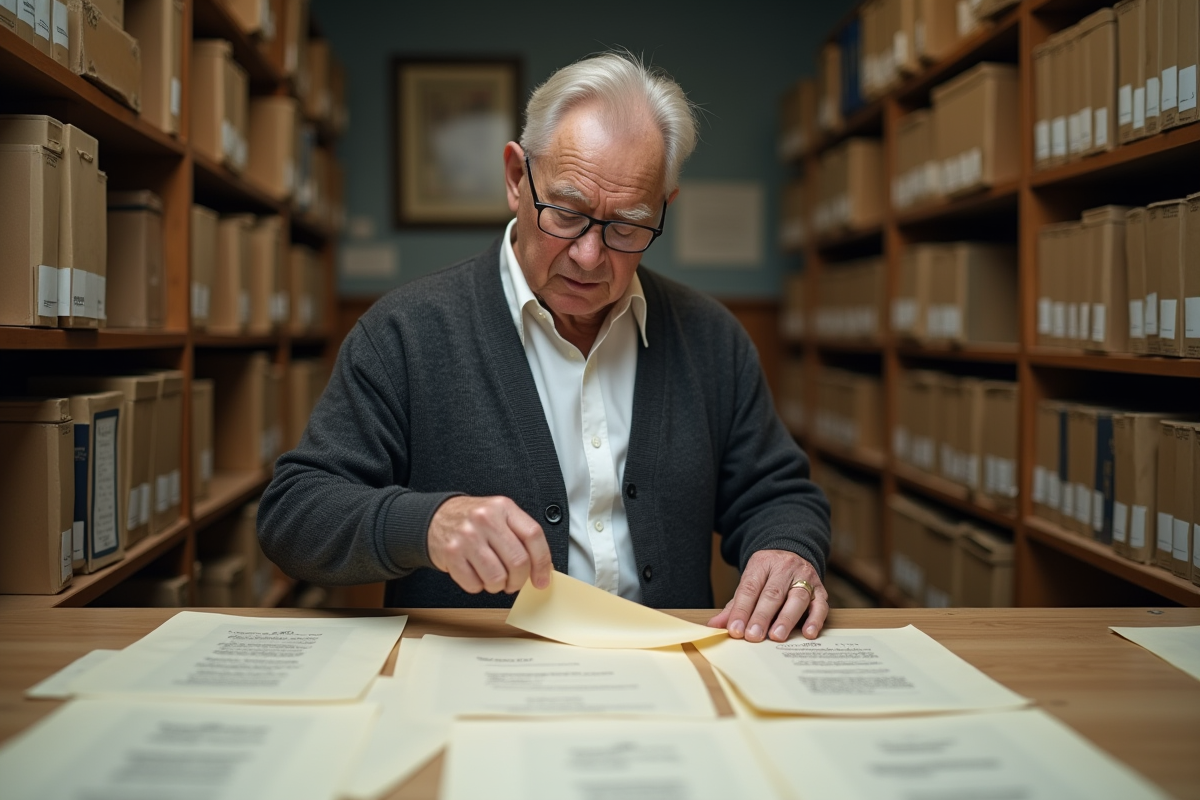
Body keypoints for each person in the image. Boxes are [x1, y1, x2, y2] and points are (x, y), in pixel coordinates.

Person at [259, 52, 831, 643]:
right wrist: (426, 523)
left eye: (628, 226)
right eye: (567, 212)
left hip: (665, 680)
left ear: (664, 208)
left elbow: (777, 493)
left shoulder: (711, 339)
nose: (589, 255)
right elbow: (295, 514)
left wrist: (788, 549)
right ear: (515, 178)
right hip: (479, 682)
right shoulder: (405, 332)